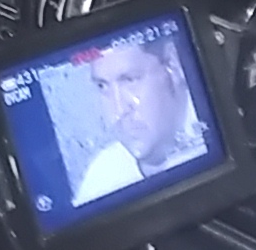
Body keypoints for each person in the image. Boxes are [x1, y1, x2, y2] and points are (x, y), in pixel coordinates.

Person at [72, 37, 209, 207]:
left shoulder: (218, 135)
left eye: (129, 80)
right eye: (102, 86)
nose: (118, 111)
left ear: (173, 63)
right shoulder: (102, 175)